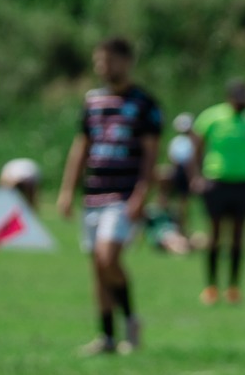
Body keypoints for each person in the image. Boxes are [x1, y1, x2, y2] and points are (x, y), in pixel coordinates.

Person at [57, 36, 162, 356]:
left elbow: (150, 154)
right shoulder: (92, 101)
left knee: (108, 257)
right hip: (94, 192)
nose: (102, 67)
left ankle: (130, 320)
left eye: (108, 60)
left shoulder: (146, 104)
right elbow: (81, 147)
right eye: (98, 61)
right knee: (97, 267)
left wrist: (142, 192)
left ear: (126, 61)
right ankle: (106, 336)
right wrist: (66, 190)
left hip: (123, 193)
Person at [191, 81, 245, 305]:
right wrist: (196, 177)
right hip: (216, 182)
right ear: (230, 97)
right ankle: (211, 286)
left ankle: (234, 287)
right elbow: (196, 148)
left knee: (238, 237)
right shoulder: (212, 117)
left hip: (243, 183)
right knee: (214, 236)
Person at [164, 115, 196, 232]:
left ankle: (176, 225)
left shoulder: (175, 141)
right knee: (183, 201)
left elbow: (172, 158)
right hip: (184, 172)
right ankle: (179, 226)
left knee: (176, 200)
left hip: (179, 171)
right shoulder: (192, 142)